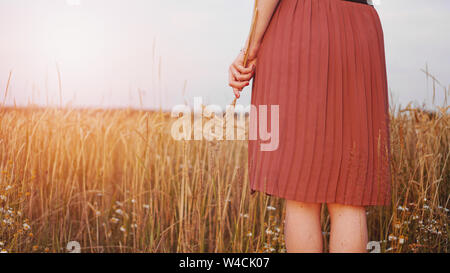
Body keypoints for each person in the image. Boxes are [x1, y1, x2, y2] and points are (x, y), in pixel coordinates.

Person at [228, 0, 391, 253]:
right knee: (350, 198)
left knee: (301, 193)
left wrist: (250, 46)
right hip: (361, 27)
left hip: (303, 23)